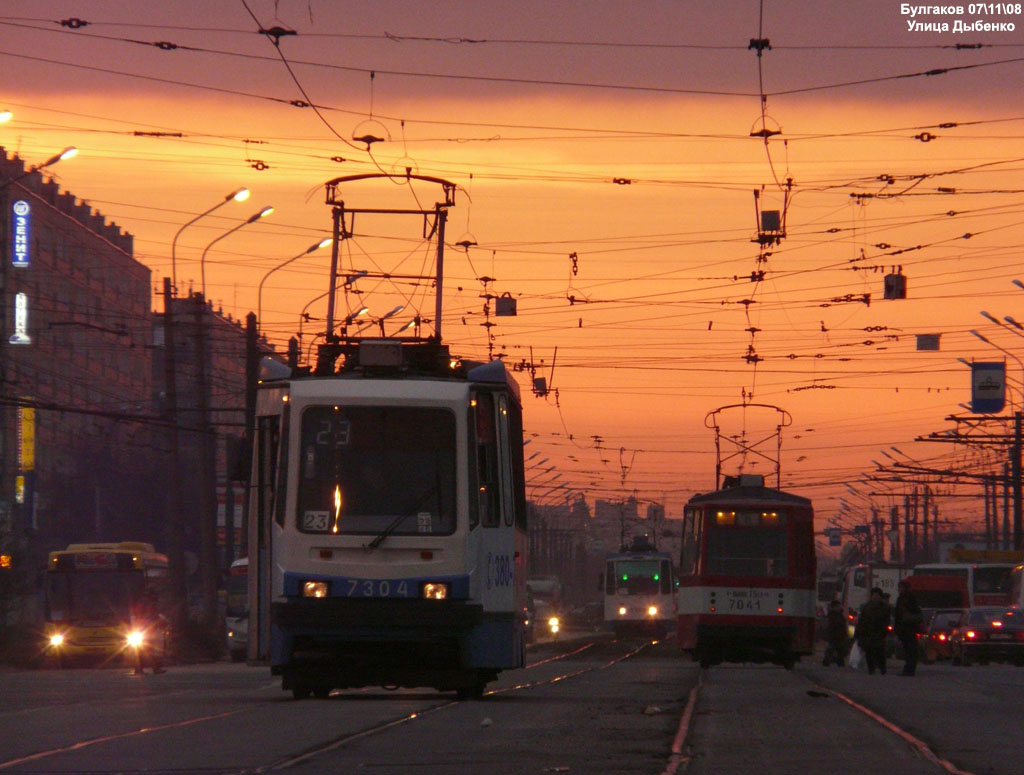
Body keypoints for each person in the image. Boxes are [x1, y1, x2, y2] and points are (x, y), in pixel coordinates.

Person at [854, 587, 890, 675]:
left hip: (879, 632)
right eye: (874, 595)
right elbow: (861, 621)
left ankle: (882, 668)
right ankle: (871, 669)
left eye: (877, 595)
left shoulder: (884, 607)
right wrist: (858, 633)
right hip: (868, 633)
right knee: (869, 651)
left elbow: (886, 620)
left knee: (880, 651)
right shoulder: (867, 607)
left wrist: (884, 631)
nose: (875, 597)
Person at [130, 589, 167, 675]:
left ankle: (142, 668)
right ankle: (152, 668)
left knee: (146, 651)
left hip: (145, 630)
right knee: (149, 651)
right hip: (147, 631)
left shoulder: (146, 604)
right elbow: (150, 617)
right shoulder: (148, 605)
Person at [894, 579, 923, 676]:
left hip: (909, 627)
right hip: (904, 628)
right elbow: (897, 615)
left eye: (901, 587)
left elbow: (915, 612)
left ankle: (910, 669)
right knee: (908, 649)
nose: (899, 589)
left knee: (910, 649)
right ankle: (908, 668)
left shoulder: (910, 598)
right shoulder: (901, 598)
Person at [823, 599, 849, 667]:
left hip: (840, 636)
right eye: (837, 606)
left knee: (840, 650)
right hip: (834, 636)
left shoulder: (840, 615)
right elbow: (830, 627)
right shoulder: (831, 616)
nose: (839, 608)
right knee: (832, 649)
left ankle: (839, 662)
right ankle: (829, 661)